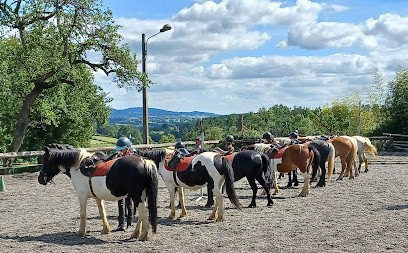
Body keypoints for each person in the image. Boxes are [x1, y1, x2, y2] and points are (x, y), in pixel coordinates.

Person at [113, 136, 136, 231]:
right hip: (120, 182)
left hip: (130, 182)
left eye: (122, 149)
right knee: (120, 202)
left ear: (128, 148)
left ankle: (129, 223)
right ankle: (121, 224)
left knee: (129, 203)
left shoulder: (133, 157)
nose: (121, 151)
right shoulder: (119, 157)